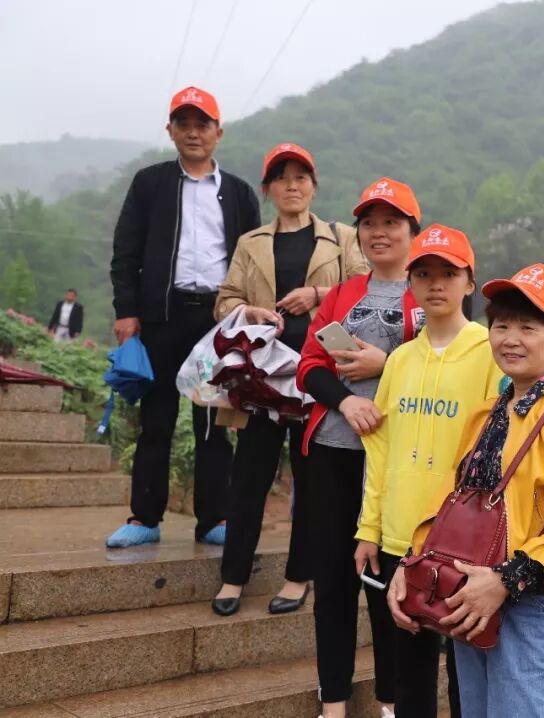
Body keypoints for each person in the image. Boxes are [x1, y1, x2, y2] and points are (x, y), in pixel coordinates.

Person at [386, 262, 544, 718]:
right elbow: (450, 498)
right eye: (502, 325)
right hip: (471, 597)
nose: (510, 339)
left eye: (528, 327)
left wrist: (507, 579)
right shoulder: (486, 413)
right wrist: (412, 561)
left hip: (532, 603)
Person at [209, 143, 366, 617]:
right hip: (263, 381)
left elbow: (364, 292)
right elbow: (224, 300)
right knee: (248, 478)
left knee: (311, 482)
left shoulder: (340, 238)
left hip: (317, 376)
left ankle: (298, 577)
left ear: (314, 186)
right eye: (281, 178)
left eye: (301, 177)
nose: (292, 185)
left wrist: (317, 294)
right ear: (268, 189)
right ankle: (233, 577)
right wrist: (248, 310)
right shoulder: (251, 242)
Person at [354, 225, 501, 718]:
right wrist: (369, 529)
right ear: (410, 283)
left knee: (466, 677)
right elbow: (381, 452)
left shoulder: (490, 354)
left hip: (462, 545)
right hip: (400, 538)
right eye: (423, 274)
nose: (436, 283)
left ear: (469, 282)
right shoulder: (399, 360)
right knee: (409, 677)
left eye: (448, 273)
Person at [107, 86, 261, 548]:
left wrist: (246, 320)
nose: (194, 133)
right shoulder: (150, 183)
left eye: (202, 125)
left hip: (216, 321)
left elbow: (253, 261)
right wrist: (127, 311)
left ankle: (215, 518)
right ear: (170, 130)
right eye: (184, 124)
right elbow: (125, 251)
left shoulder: (239, 193)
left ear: (218, 132)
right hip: (161, 316)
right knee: (156, 419)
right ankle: (144, 518)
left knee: (213, 421)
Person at [296, 177, 424, 718]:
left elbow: (443, 373)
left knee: (385, 583)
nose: (379, 232)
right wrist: (346, 402)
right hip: (332, 452)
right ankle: (334, 702)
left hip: (395, 464)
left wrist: (385, 364)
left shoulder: (429, 295)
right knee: (331, 581)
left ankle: (390, 701)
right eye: (368, 223)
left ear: (413, 231)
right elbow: (309, 365)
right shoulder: (343, 294)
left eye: (391, 222)